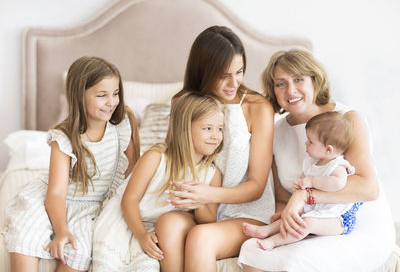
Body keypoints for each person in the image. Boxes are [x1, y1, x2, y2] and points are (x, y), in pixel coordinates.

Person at [238, 49, 395, 271]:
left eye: (299, 79)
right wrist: (286, 217)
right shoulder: (276, 132)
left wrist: (305, 196)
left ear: (315, 80)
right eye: (280, 83)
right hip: (312, 221)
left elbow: (368, 189)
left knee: (295, 262)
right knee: (252, 251)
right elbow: (284, 198)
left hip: (354, 223)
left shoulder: (345, 119)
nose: (290, 89)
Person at [2, 56, 140, 272]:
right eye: (102, 95)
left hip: (92, 207)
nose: (112, 102)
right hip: (57, 199)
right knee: (25, 233)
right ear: (79, 96)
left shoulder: (123, 124)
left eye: (115, 93)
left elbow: (133, 171)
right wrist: (61, 230)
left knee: (79, 251)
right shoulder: (64, 137)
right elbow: (56, 194)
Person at [156, 25, 275, 272]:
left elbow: (257, 186)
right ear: (204, 71)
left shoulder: (257, 108)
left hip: (246, 211)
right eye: (224, 75)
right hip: (199, 208)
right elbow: (174, 159)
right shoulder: (183, 103)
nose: (234, 82)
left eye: (239, 71)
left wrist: (209, 195)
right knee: (168, 224)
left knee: (202, 238)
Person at [91, 92, 224, 272]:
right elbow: (129, 201)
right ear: (185, 128)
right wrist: (142, 235)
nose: (215, 136)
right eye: (208, 128)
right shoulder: (156, 158)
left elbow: (208, 219)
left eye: (220, 129)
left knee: (164, 231)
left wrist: (198, 202)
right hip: (131, 220)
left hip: (165, 226)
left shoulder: (211, 173)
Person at [243, 111, 361, 251]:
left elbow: (338, 184)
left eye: (310, 141)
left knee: (306, 223)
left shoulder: (337, 166)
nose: (306, 143)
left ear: (328, 149)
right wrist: (300, 182)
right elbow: (304, 177)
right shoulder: (312, 162)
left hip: (338, 218)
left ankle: (274, 241)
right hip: (317, 209)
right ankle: (266, 230)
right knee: (293, 216)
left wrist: (312, 182)